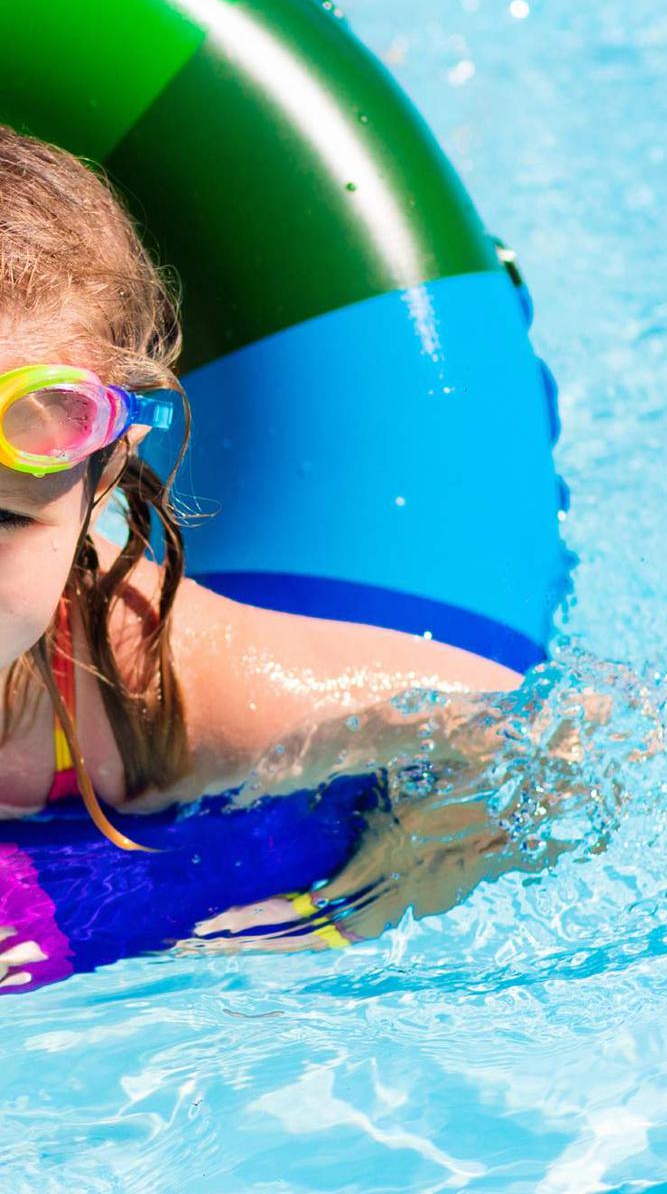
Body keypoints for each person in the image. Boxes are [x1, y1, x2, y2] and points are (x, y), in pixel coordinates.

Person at [0, 123, 601, 953]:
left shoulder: (148, 687)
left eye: (5, 520)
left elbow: (563, 740)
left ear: (102, 475)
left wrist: (349, 909)